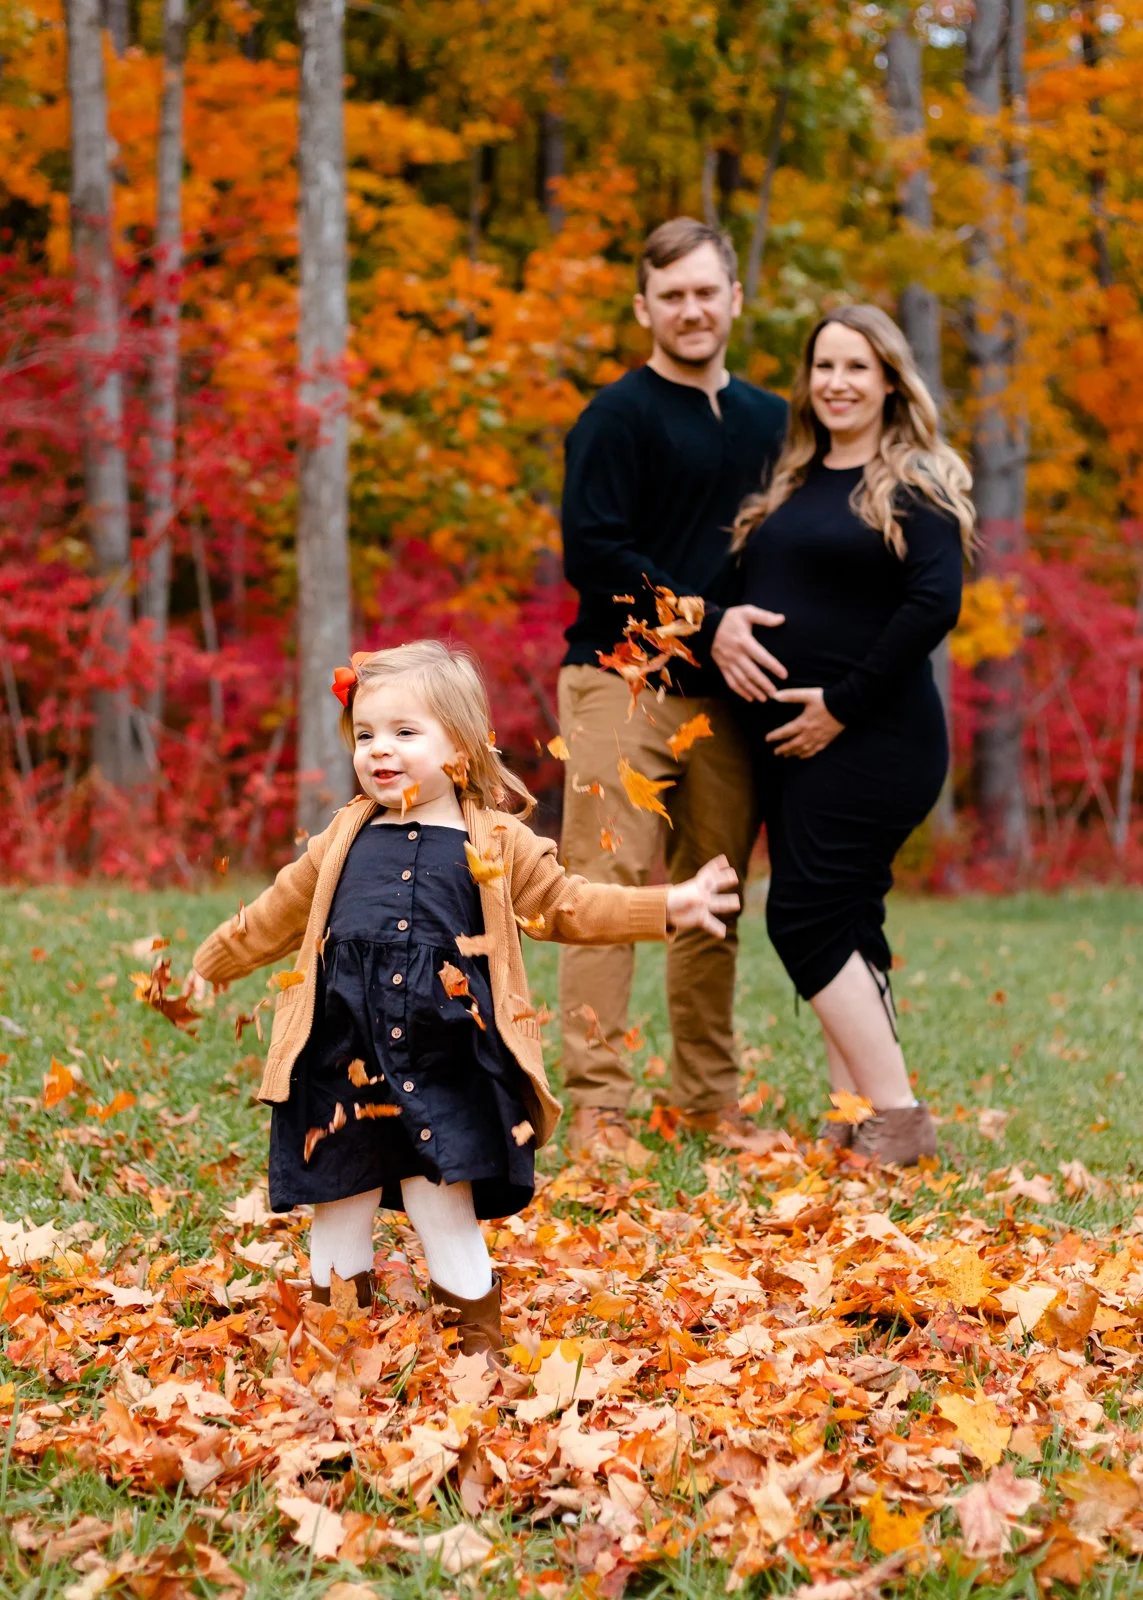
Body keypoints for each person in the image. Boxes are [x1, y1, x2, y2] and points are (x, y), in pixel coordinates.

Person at [184, 641, 738, 1355]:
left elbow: (566, 908)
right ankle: (337, 1349)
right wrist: (214, 961)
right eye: (365, 735)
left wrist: (668, 905)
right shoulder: (340, 838)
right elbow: (274, 912)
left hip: (446, 1056)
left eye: (405, 733)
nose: (380, 750)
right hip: (338, 1055)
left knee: (438, 1200)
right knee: (338, 1202)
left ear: (463, 745)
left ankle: (476, 1352)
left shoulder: (497, 841)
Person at [712, 305, 974, 1166]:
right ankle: (854, 1116)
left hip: (873, 735)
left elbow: (932, 602)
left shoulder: (916, 481)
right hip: (790, 744)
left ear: (890, 380)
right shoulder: (791, 480)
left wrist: (844, 703)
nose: (836, 382)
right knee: (847, 914)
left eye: (856, 367)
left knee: (802, 914)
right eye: (823, 366)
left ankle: (897, 1118)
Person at [558, 216, 788, 1160]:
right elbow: (596, 557)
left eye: (707, 292)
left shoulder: (777, 421)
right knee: (605, 891)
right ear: (644, 306)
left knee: (715, 896)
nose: (692, 311)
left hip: (729, 701)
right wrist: (703, 620)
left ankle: (705, 1102)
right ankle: (599, 1113)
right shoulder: (615, 417)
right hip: (621, 682)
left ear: (735, 297)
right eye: (673, 296)